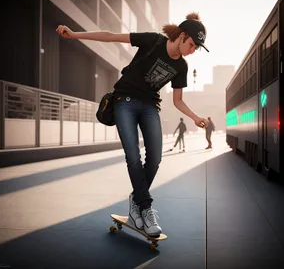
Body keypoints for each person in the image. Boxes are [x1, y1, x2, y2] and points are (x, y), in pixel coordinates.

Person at [56, 12, 209, 237]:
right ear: (182, 36)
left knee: (155, 158)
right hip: (124, 101)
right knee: (133, 156)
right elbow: (111, 36)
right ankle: (145, 208)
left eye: (197, 48)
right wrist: (75, 35)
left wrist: (195, 117)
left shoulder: (182, 67)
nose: (193, 50)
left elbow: (177, 100)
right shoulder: (153, 41)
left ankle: (136, 198)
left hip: (149, 106)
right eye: (192, 45)